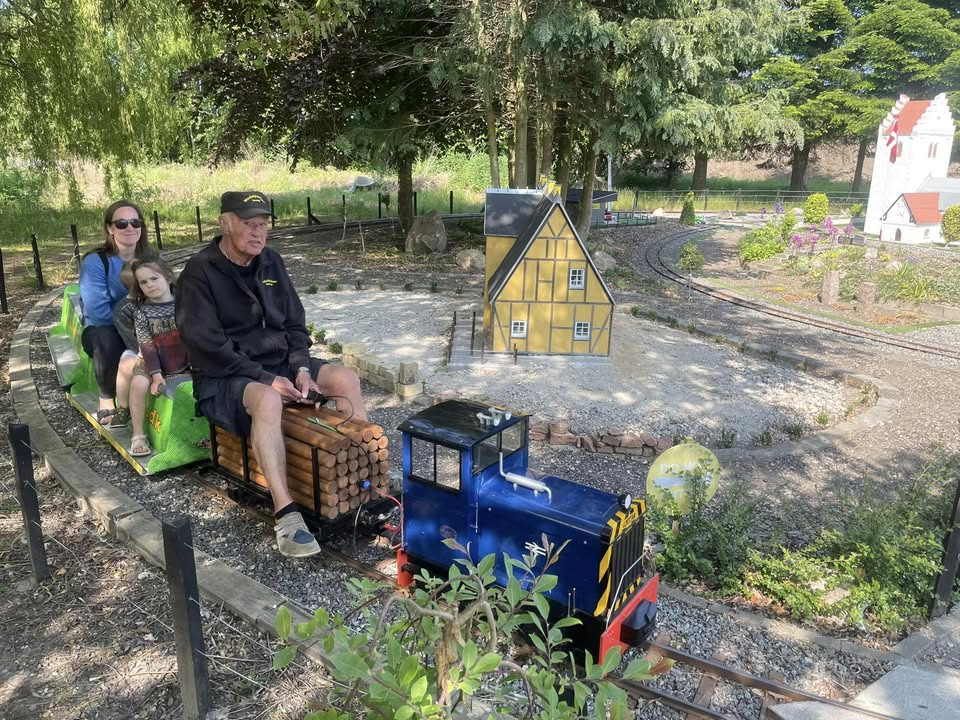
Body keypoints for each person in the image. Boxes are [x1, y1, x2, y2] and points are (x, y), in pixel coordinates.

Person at [177, 190, 365, 558]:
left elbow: (295, 324)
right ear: (225, 223)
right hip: (224, 376)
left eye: (263, 224)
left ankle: (364, 480)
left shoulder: (271, 262)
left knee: (346, 380)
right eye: (249, 224)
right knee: (265, 398)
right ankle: (287, 515)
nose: (258, 232)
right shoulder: (199, 273)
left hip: (277, 364)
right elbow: (207, 347)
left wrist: (299, 369)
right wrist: (265, 379)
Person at [79, 200, 152, 424]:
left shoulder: (151, 259)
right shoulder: (96, 262)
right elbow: (99, 312)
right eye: (121, 223)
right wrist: (136, 320)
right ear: (110, 228)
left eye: (135, 222)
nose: (129, 227)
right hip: (105, 329)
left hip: (143, 323)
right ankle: (106, 397)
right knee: (106, 338)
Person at [127, 256, 191, 457]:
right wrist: (156, 375)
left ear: (168, 277)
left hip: (184, 356)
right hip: (152, 359)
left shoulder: (185, 302)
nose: (149, 285)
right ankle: (138, 434)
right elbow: (147, 346)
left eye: (154, 278)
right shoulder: (142, 312)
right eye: (143, 282)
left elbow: (195, 335)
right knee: (138, 383)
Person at [108, 262, 140, 429]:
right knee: (125, 361)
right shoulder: (123, 309)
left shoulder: (169, 299)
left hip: (171, 347)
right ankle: (123, 407)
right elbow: (131, 339)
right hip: (141, 350)